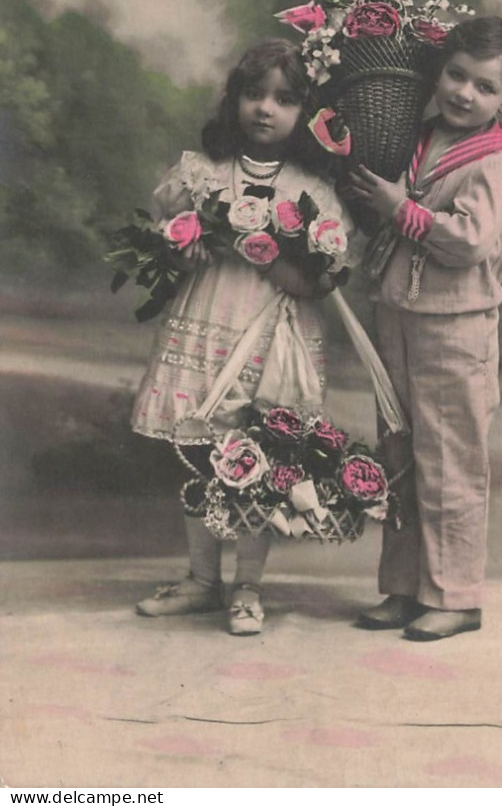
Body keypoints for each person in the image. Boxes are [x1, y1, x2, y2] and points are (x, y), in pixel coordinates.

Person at [132, 38, 353, 635]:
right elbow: (170, 255)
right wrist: (190, 245)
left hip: (272, 329)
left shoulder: (313, 191)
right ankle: (203, 581)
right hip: (210, 321)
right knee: (202, 452)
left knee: (259, 456)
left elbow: (316, 284)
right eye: (253, 94)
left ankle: (248, 586)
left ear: (304, 112)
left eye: (284, 99)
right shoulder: (202, 176)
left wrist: (257, 250)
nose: (265, 109)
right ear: (234, 100)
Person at [349, 16, 502, 641]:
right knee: (400, 454)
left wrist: (399, 208)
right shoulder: (414, 135)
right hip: (396, 314)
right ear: (439, 73)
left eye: (485, 87)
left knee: (451, 459)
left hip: (456, 327)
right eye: (456, 75)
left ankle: (456, 594)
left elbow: (469, 240)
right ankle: (406, 589)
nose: (464, 93)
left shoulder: (501, 160)